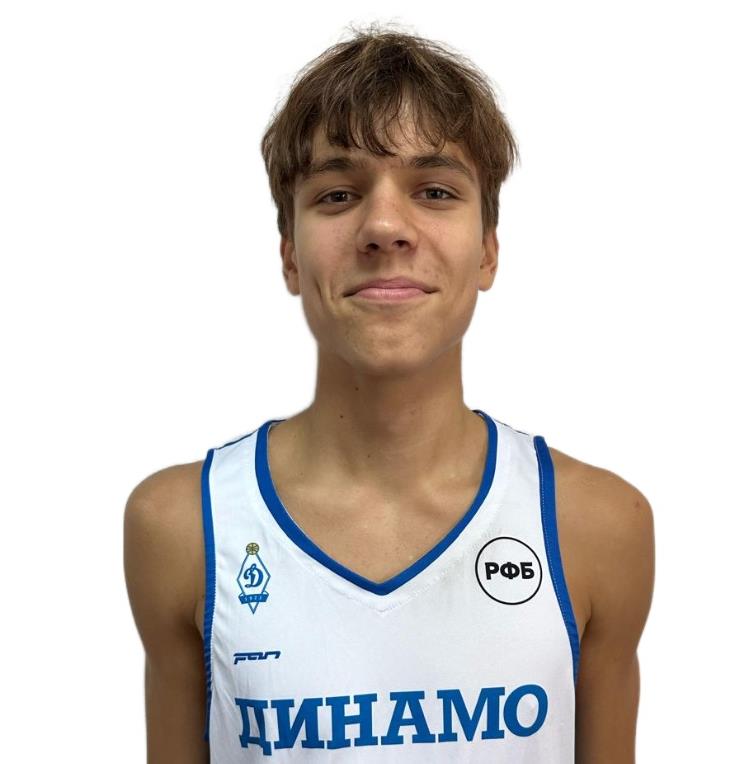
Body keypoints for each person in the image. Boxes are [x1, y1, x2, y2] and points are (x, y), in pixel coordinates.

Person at [124, 21, 654, 763]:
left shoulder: (595, 526)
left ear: (487, 251)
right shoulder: (183, 526)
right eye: (338, 194)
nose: (383, 225)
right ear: (290, 255)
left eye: (434, 191)